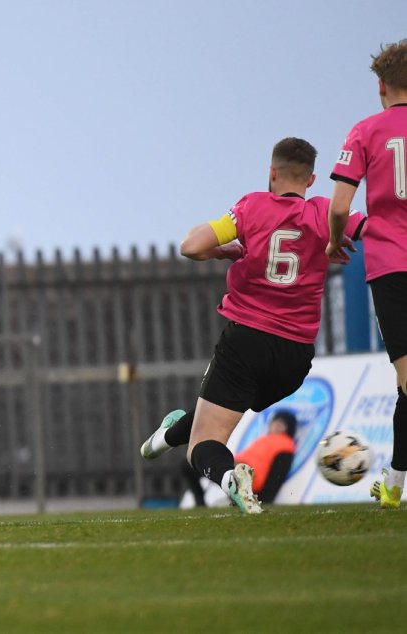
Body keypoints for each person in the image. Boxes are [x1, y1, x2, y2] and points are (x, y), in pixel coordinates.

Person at [140, 137, 364, 514]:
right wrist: (334, 239)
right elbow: (369, 229)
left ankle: (230, 478)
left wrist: (222, 248)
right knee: (227, 405)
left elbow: (190, 246)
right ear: (310, 181)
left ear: (271, 172)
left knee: (203, 446)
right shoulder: (324, 212)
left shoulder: (252, 207)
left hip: (247, 341)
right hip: (295, 357)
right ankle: (165, 436)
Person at [327, 40, 407, 510]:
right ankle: (394, 485)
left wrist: (337, 239)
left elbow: (340, 205)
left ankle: (395, 486)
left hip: (390, 265)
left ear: (380, 85)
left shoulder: (365, 132)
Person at [177, 409, 297, 507]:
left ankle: (205, 502)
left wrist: (265, 501)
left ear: (289, 428)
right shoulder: (264, 439)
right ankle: (200, 503)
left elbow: (276, 476)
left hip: (246, 474)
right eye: (275, 423)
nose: (276, 426)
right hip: (237, 466)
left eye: (281, 424)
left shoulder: (286, 446)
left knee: (191, 464)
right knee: (189, 465)